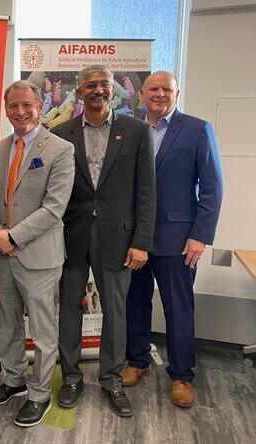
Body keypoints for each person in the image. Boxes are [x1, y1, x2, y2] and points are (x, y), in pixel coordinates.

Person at [51, 64, 156, 417]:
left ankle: (111, 379)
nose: (98, 90)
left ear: (114, 90)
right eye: (91, 85)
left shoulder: (138, 131)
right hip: (71, 234)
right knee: (69, 308)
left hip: (120, 237)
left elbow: (146, 191)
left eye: (104, 85)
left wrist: (142, 241)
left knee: (116, 310)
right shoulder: (60, 133)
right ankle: (70, 377)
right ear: (79, 92)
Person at [122, 71, 223, 408]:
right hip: (133, 237)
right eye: (154, 88)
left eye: (167, 89)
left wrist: (200, 236)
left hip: (178, 239)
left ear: (177, 94)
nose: (160, 94)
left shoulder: (197, 129)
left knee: (178, 309)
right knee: (134, 303)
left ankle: (181, 375)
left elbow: (212, 187)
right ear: (142, 94)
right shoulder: (129, 129)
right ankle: (137, 360)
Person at [0, 80, 74, 427]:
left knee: (43, 330)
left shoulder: (60, 149)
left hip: (39, 256)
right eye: (13, 106)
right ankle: (13, 379)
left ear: (39, 105)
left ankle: (39, 395)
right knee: (6, 324)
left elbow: (54, 207)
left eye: (27, 105)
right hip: (1, 255)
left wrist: (14, 237)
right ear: (6, 109)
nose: (20, 112)